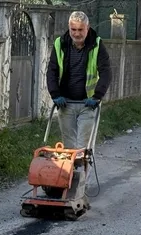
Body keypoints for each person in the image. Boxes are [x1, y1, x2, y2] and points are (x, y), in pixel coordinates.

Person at [46, 11, 111, 151]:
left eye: (80, 29)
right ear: (69, 28)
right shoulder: (60, 44)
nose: (76, 34)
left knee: (83, 147)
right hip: (66, 103)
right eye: (73, 29)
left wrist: (97, 96)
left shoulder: (97, 45)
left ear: (87, 28)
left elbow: (106, 72)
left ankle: (82, 172)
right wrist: (55, 94)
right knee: (69, 147)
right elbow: (52, 71)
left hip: (88, 103)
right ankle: (71, 172)